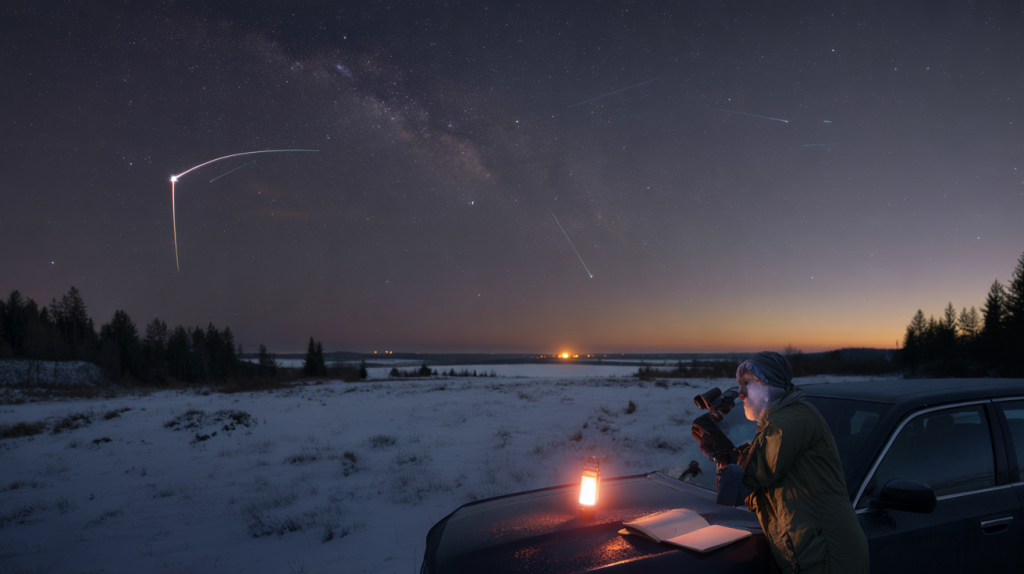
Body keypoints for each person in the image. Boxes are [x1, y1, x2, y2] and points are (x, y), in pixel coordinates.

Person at [712, 351, 869, 574]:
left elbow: (748, 480)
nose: (741, 393)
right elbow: (756, 492)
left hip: (829, 555)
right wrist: (723, 453)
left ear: (771, 386)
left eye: (748, 383)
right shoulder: (778, 421)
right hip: (812, 553)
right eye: (740, 384)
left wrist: (720, 451)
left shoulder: (792, 420)